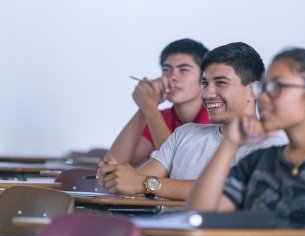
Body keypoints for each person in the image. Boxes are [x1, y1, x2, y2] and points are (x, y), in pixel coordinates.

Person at [186, 48, 305, 236]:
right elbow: (199, 216)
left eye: (277, 87)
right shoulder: (261, 159)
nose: (263, 97)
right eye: (263, 88)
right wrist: (230, 143)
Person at [97, 42, 287, 200]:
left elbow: (225, 191)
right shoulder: (185, 133)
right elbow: (135, 182)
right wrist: (116, 178)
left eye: (220, 83)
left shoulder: (270, 147)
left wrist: (146, 184)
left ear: (254, 91)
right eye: (205, 83)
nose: (208, 93)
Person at [106, 38, 210, 166]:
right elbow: (111, 166)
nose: (172, 76)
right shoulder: (161, 117)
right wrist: (144, 108)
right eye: (166, 69)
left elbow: (180, 167)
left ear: (205, 77)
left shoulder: (215, 117)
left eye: (183, 69)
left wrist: (149, 108)